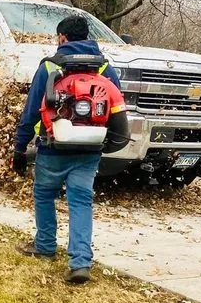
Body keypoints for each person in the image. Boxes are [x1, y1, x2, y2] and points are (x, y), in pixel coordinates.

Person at [12, 15, 130, 284]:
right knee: (80, 200)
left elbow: (31, 113)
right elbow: (115, 109)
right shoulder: (105, 70)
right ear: (88, 37)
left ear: (62, 38)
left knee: (44, 194)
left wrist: (19, 148)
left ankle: (44, 246)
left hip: (53, 147)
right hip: (89, 149)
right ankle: (80, 262)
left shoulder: (49, 67)